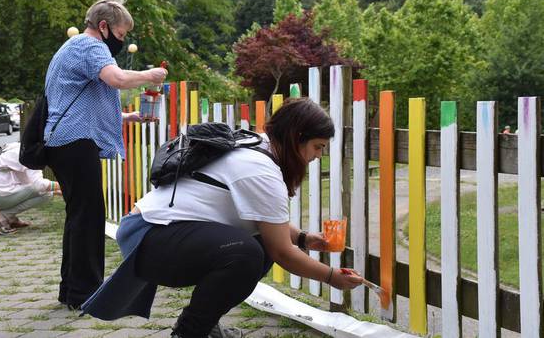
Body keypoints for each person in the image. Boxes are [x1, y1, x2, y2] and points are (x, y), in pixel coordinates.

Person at [81, 98, 363, 338]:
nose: (318, 156)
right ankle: (191, 331)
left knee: (257, 249)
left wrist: (303, 238)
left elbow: (267, 223)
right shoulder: (262, 170)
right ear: (297, 137)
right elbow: (282, 252)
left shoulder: (257, 146)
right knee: (247, 254)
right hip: (151, 236)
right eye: (318, 147)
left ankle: (206, 322)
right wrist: (330, 276)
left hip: (158, 232)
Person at [43, 0, 168, 310]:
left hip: (64, 142)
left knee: (79, 216)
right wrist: (150, 76)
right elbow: (117, 79)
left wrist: (130, 117)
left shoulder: (69, 48)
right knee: (89, 217)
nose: (122, 42)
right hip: (76, 142)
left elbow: (84, 102)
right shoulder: (90, 46)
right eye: (122, 35)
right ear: (104, 27)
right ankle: (86, 294)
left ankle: (71, 291)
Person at [0, 142, 60, 234]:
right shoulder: (32, 156)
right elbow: (39, 185)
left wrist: (55, 190)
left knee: (44, 191)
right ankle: (0, 217)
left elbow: (26, 182)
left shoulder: (18, 147)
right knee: (46, 194)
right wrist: (64, 185)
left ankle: (11, 220)